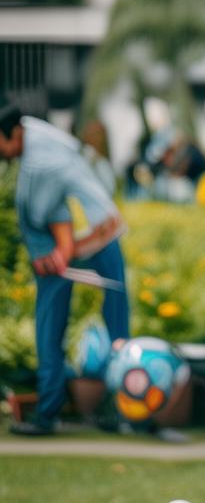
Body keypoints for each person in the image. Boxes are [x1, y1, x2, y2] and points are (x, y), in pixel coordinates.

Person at [0, 97, 131, 436]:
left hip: (91, 240)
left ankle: (57, 415)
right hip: (94, 234)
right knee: (109, 325)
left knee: (57, 327)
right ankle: (113, 411)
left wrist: (53, 253)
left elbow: (43, 218)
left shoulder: (38, 166)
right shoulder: (31, 128)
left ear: (13, 134)